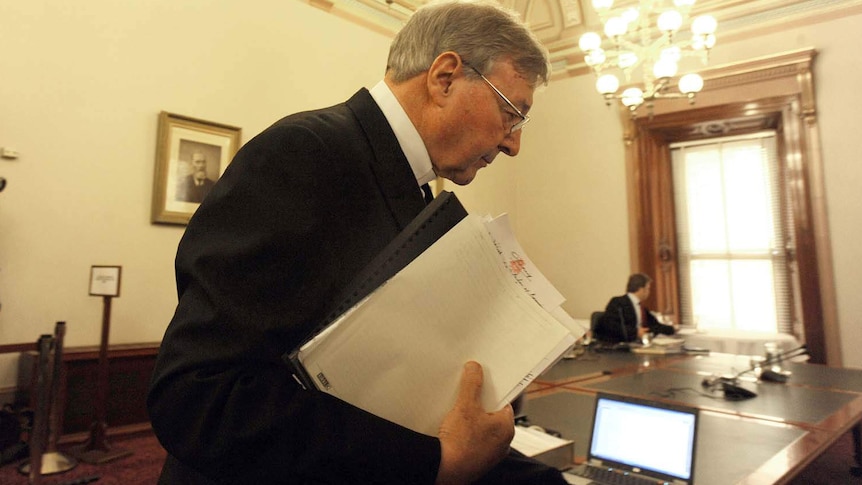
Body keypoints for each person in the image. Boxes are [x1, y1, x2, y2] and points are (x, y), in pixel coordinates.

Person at [147, 1, 567, 483]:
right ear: (445, 77)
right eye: (511, 112)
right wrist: (435, 463)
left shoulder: (411, 189)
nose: (514, 144)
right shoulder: (305, 154)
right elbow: (200, 399)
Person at [594, 273, 677, 344]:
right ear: (641, 289)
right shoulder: (618, 302)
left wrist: (672, 329)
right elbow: (611, 326)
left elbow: (655, 325)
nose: (649, 292)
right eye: (648, 289)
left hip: (640, 344)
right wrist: (635, 332)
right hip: (620, 348)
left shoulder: (642, 308)